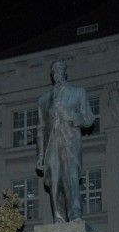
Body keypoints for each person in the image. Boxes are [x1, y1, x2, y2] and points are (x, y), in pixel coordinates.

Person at [36, 59, 95, 223]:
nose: (57, 73)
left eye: (60, 70)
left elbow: (89, 119)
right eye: (54, 71)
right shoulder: (44, 100)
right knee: (55, 183)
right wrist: (40, 155)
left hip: (70, 143)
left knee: (71, 178)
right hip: (51, 146)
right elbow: (41, 129)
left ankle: (75, 215)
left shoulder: (78, 93)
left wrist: (71, 116)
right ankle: (59, 217)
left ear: (65, 72)